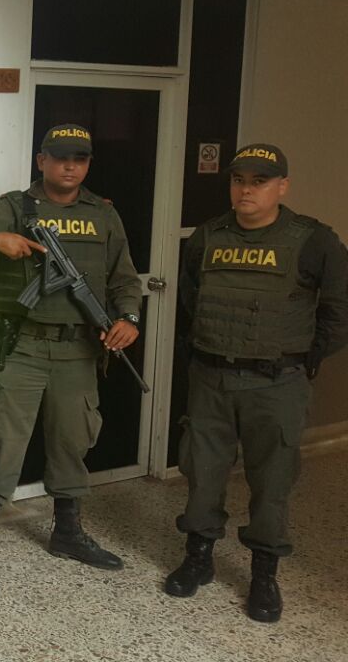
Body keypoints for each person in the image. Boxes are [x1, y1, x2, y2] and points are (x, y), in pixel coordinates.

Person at [165, 143, 348, 622]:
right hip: (211, 379)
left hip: (277, 382)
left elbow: (338, 312)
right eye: (239, 180)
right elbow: (191, 301)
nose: (246, 190)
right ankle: (198, 556)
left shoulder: (314, 241)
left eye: (259, 181)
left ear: (282, 186)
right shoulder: (207, 236)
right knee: (202, 473)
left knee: (272, 482)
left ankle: (264, 574)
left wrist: (302, 357)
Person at [0, 124, 141, 597]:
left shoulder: (103, 214)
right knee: (4, 441)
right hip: (21, 344)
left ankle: (67, 532)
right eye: (60, 157)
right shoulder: (13, 207)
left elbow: (125, 277)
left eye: (79, 158)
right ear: (41, 160)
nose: (70, 166)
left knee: (72, 440)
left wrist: (128, 317)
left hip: (78, 348)